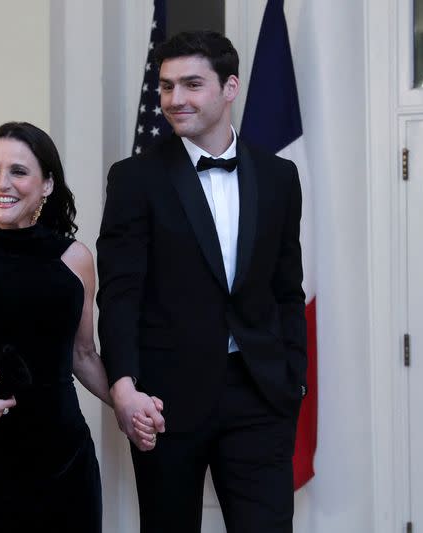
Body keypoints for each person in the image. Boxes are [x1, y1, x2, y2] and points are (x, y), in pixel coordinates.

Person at [0, 122, 160, 532]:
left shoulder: (75, 259)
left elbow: (83, 355)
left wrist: (126, 401)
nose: (2, 183)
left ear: (47, 184)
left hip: (63, 457)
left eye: (18, 171)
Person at [97, 31, 307, 533]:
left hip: (259, 393)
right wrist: (124, 386)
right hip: (165, 400)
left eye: (192, 84)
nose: (174, 100)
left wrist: (291, 375)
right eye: (166, 87)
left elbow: (287, 287)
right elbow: (119, 293)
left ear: (230, 87)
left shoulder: (280, 176)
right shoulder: (134, 178)